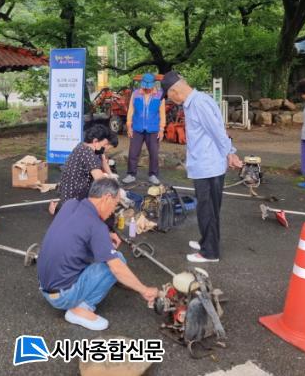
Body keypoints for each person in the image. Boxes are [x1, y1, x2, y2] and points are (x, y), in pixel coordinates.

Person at [37, 178, 159, 331]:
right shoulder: (96, 226)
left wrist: (106, 235)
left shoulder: (70, 204)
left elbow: (78, 229)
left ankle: (74, 297)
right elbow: (116, 268)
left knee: (94, 253)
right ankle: (81, 309)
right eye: (115, 204)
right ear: (107, 198)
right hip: (63, 297)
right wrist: (144, 290)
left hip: (44, 286)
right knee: (117, 260)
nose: (113, 211)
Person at [161, 71, 243, 264]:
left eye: (169, 96)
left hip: (208, 166)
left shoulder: (198, 104)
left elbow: (217, 131)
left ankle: (210, 253)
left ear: (174, 91)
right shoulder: (198, 101)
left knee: (207, 210)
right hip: (206, 164)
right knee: (209, 208)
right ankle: (207, 241)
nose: (171, 100)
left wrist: (230, 153)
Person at [49, 124, 118, 216]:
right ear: (95, 141)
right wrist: (117, 192)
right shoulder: (88, 154)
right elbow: (101, 182)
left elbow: (102, 162)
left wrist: (110, 175)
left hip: (67, 194)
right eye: (104, 144)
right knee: (106, 208)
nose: (105, 147)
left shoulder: (82, 146)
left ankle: (61, 208)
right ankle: (64, 211)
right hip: (75, 198)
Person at [122, 73, 166, 186]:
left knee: (154, 153)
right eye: (145, 86)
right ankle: (131, 174)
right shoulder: (136, 94)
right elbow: (131, 110)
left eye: (149, 86)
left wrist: (161, 129)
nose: (146, 88)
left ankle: (153, 175)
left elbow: (162, 113)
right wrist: (129, 126)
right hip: (137, 128)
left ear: (153, 84)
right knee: (133, 152)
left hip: (153, 129)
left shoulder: (160, 95)